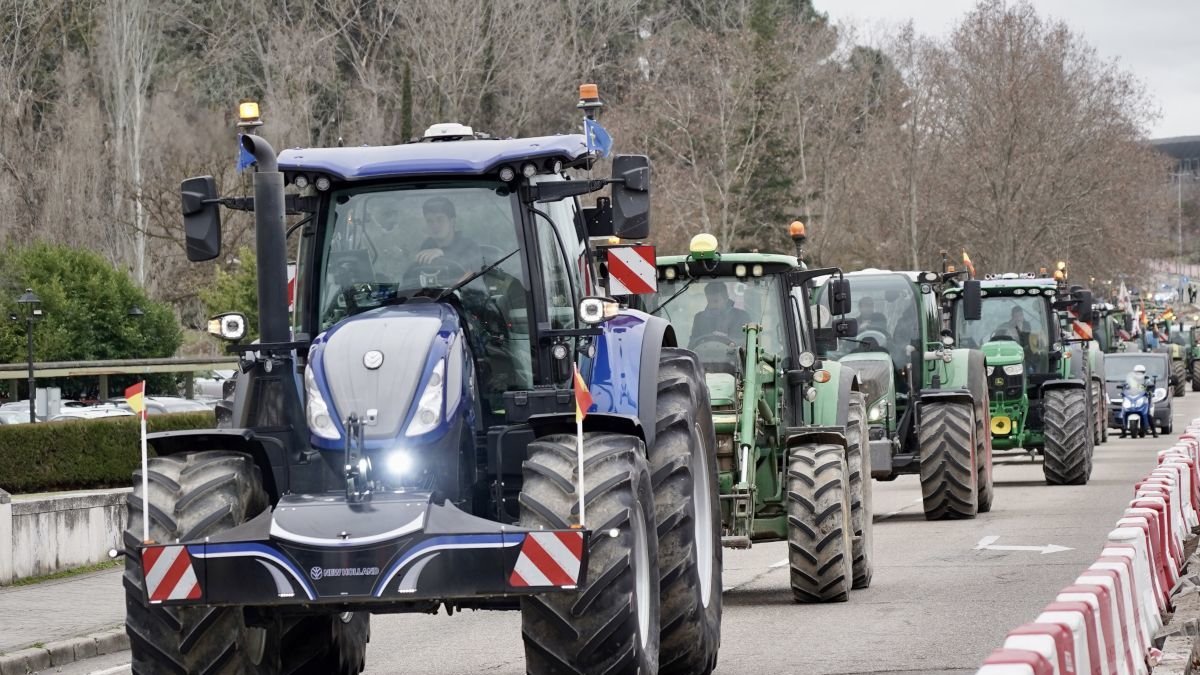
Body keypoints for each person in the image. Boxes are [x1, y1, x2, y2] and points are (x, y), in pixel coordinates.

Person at [413, 196, 482, 270]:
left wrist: (443, 253)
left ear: (452, 222)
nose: (435, 225)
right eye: (430, 221)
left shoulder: (469, 246)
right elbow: (415, 273)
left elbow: (472, 269)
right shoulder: (426, 245)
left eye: (440, 219)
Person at [690, 282, 751, 347]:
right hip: (704, 356)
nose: (712, 305)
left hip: (735, 356)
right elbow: (692, 344)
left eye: (716, 301)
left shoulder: (742, 316)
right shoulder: (699, 318)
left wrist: (730, 341)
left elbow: (750, 342)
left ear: (726, 299)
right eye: (709, 301)